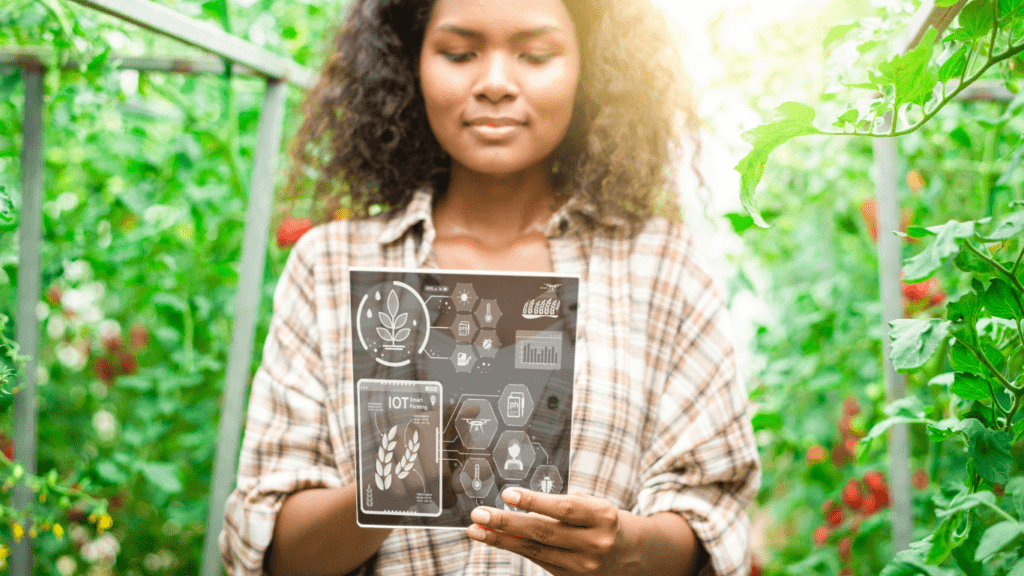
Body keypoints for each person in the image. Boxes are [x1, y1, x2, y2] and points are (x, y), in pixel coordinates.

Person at [219, 0, 761, 574]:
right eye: (459, 53)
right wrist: (408, 474)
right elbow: (268, 550)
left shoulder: (663, 268)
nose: (496, 83)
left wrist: (624, 548)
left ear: (590, 68)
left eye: (535, 54)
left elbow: (712, 514)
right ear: (411, 63)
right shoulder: (329, 266)